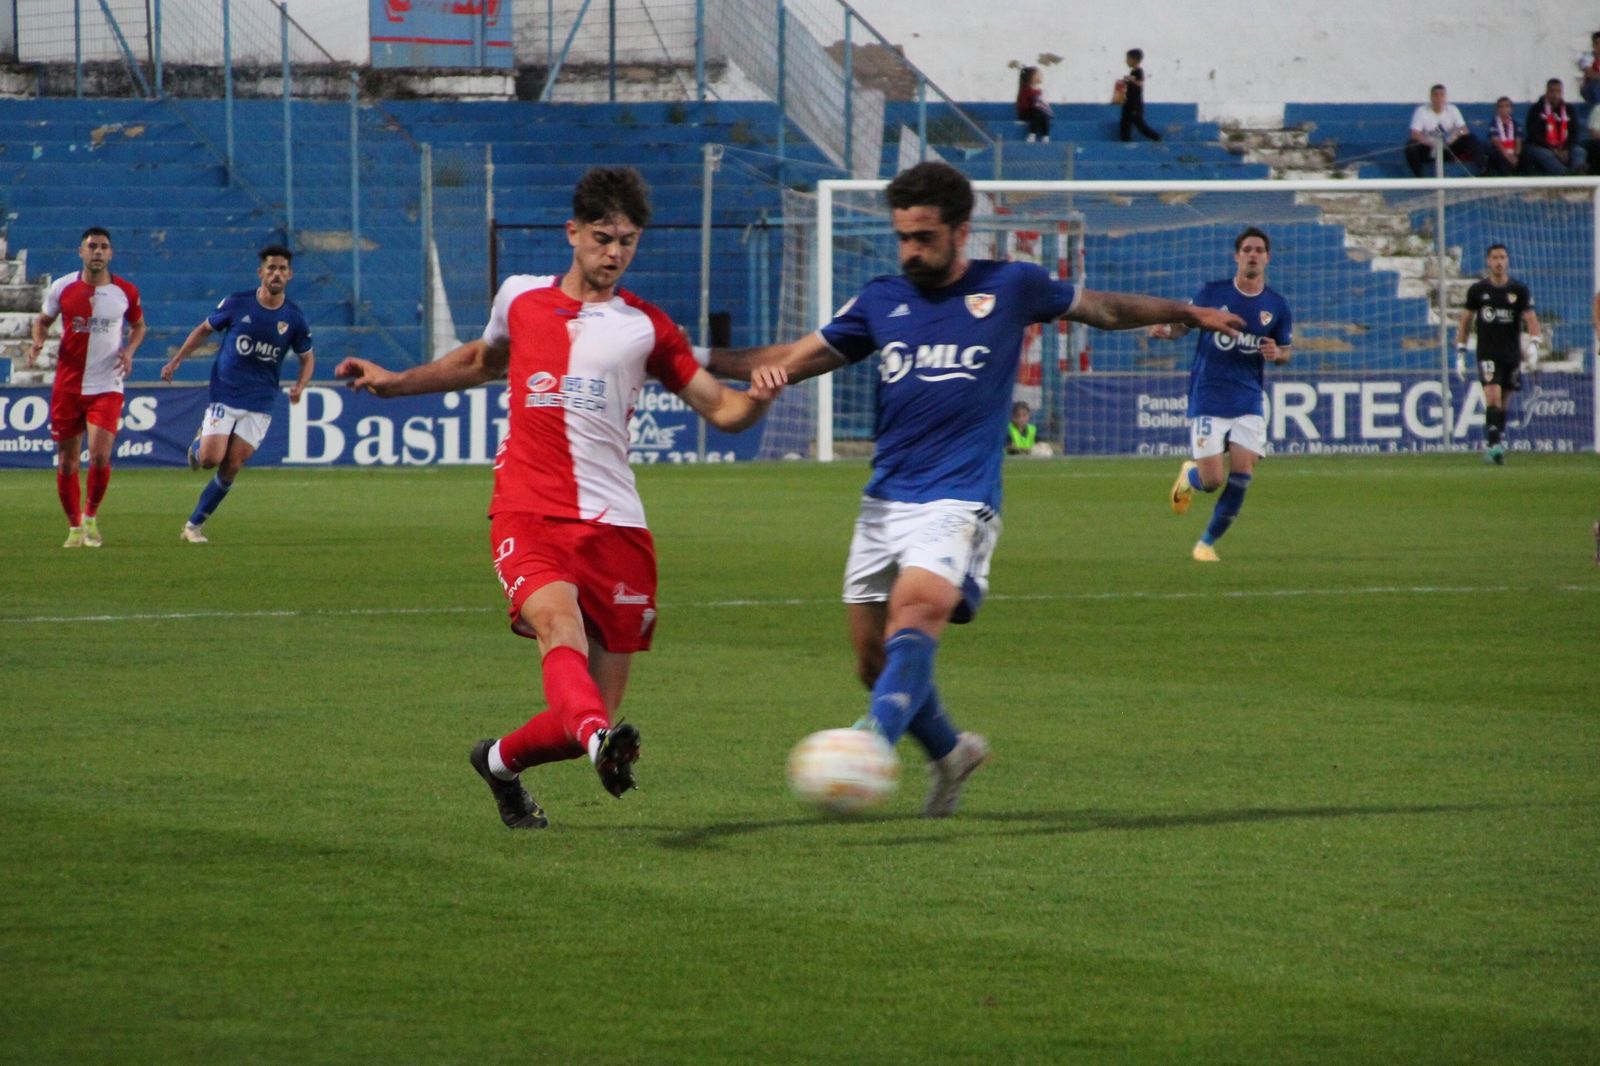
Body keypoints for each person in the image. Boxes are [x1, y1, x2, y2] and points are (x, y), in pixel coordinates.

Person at [707, 161, 1241, 816]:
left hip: (961, 496)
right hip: (884, 502)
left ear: (961, 233)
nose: (910, 250)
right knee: (874, 666)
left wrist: (1186, 312)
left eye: (923, 237)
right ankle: (951, 753)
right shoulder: (879, 301)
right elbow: (786, 360)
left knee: (918, 609)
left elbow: (1102, 308)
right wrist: (685, 358)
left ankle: (868, 745)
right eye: (902, 237)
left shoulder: (1011, 286)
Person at [335, 167, 783, 830]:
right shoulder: (520, 298)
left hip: (616, 527)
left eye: (627, 241)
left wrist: (759, 401)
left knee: (584, 715)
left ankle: (498, 762)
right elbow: (481, 361)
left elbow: (722, 409)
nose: (615, 252)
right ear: (572, 233)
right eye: (603, 238)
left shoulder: (647, 328)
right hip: (528, 509)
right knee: (558, 626)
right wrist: (395, 382)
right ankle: (600, 741)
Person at [159, 245, 314, 543]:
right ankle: (199, 444)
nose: (276, 273)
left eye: (282, 269)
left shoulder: (294, 318)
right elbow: (204, 329)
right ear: (261, 273)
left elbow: (307, 358)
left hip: (260, 401)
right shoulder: (237, 303)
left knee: (232, 466)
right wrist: (177, 360)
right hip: (226, 393)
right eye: (271, 268)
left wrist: (301, 385)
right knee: (209, 459)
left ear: (290, 275)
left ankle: (193, 525)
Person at [1156, 227, 1293, 563]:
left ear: (1268, 258)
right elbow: (1184, 325)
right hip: (1209, 395)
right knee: (1212, 480)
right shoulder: (1212, 292)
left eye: (1259, 250)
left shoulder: (1277, 305)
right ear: (1236, 256)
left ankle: (1205, 544)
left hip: (1248, 398)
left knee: (1243, 474)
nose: (1253, 255)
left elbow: (1285, 351)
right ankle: (1190, 476)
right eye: (1247, 249)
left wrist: (1277, 353)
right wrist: (1167, 330)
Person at [27, 226, 146, 548]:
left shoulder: (125, 292)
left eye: (103, 247)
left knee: (100, 456)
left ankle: (91, 517)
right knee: (67, 460)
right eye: (92, 246)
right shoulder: (62, 287)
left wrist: (129, 352)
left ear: (111, 253)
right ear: (81, 251)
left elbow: (139, 326)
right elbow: (42, 321)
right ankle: (74, 526)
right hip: (68, 386)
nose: (97, 251)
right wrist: (38, 343)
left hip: (107, 384)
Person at [1456, 244, 1541, 465]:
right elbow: (1465, 320)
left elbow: (1531, 319)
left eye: (1502, 257)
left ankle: (1496, 444)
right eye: (1495, 258)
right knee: (1492, 397)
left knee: (1503, 404)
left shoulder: (1519, 290)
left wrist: (1534, 344)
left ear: (1508, 260)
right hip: (1488, 353)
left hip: (1511, 355)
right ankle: (1494, 447)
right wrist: (1460, 351)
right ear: (1488, 261)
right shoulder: (1478, 290)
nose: (1499, 262)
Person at [1405, 84, 1480, 177]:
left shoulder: (1452, 109)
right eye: (1436, 95)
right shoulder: (1422, 111)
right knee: (1411, 146)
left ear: (1445, 97)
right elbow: (1415, 134)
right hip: (1429, 148)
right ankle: (1419, 178)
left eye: (1442, 95)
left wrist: (1455, 135)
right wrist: (1431, 143)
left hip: (1449, 148)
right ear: (1431, 97)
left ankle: (1482, 171)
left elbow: (1464, 130)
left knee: (1471, 138)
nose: (1439, 98)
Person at [1524, 79, 1587, 175]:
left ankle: (1578, 173)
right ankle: (1565, 174)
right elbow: (1533, 134)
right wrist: (1553, 149)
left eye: (1558, 91)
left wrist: (1566, 149)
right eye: (1552, 91)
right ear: (1547, 92)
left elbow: (1574, 132)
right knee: (1546, 154)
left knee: (1579, 151)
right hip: (1541, 146)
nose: (1555, 94)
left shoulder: (1568, 109)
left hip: (1564, 146)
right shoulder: (1536, 109)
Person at [1118, 48, 1161, 143]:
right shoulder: (1132, 72)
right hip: (1128, 103)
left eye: (1128, 59)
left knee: (1139, 124)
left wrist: (1131, 80)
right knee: (1125, 123)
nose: (1126, 61)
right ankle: (1125, 141)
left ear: (1134, 60)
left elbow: (1140, 83)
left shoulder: (1139, 71)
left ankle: (1156, 137)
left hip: (1135, 104)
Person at [1483, 96, 1523, 176]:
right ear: (1497, 110)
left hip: (1513, 152)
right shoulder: (1493, 124)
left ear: (1511, 109)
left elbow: (1518, 141)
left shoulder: (1516, 124)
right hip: (1500, 152)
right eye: (1501, 107)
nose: (1504, 109)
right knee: (1496, 154)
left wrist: (1516, 156)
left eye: (1507, 106)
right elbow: (1497, 142)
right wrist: (1508, 157)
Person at [1015, 66, 1052, 143]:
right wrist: (1034, 103)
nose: (1041, 76)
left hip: (1037, 113)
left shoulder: (1040, 90)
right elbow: (1023, 105)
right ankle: (1032, 134)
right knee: (1037, 112)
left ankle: (1045, 135)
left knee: (1044, 114)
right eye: (1038, 75)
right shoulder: (1026, 90)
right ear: (1032, 77)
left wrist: (1044, 105)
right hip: (1026, 113)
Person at [1576, 30, 1600, 106]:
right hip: (1589, 88)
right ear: (1593, 45)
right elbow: (1589, 73)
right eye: (1597, 43)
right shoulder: (1588, 57)